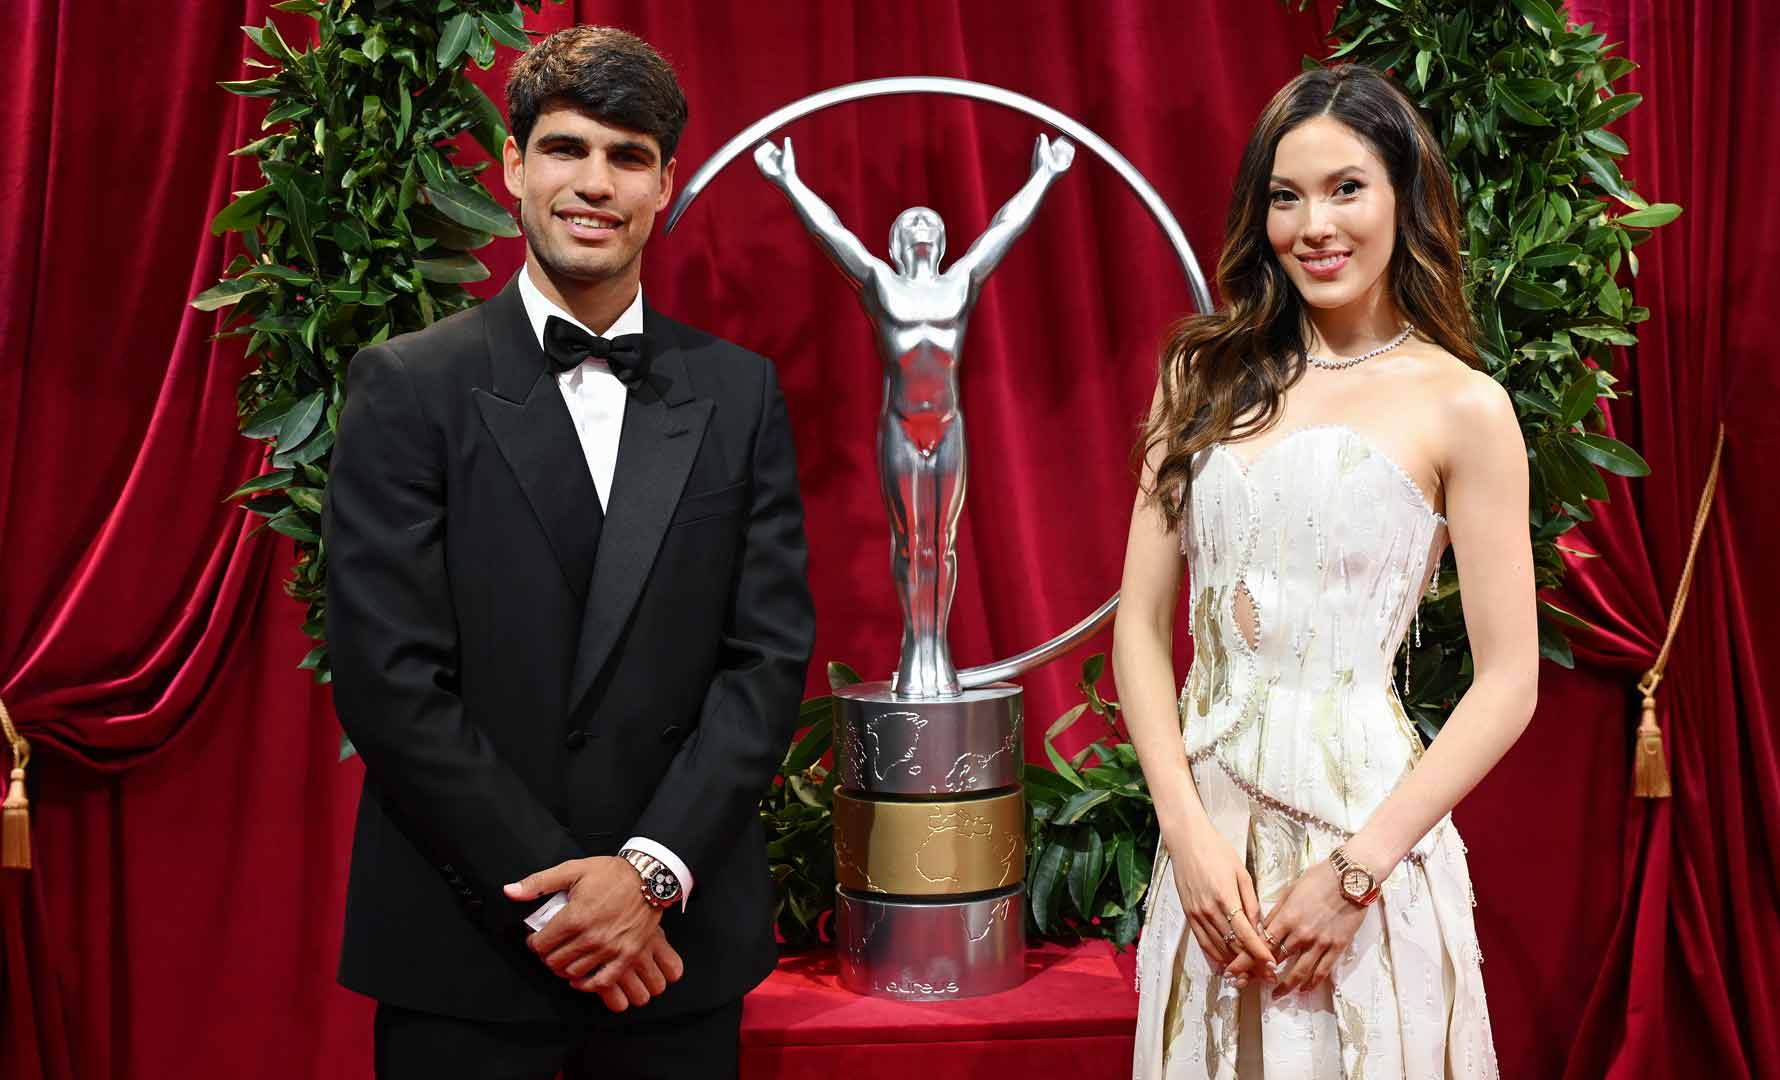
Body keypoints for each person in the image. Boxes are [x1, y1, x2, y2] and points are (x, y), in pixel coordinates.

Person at [323, 25, 814, 1079]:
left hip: (672, 951)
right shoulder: (409, 386)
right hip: (466, 949)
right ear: (511, 168)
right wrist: (561, 894)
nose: (594, 183)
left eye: (627, 156)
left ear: (665, 185)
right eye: (566, 148)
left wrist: (643, 879)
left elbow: (765, 663)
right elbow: (389, 681)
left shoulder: (738, 394)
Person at [1118, 63, 1536, 1077]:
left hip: (1367, 847)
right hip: (1210, 861)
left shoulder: (1464, 405)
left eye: (1348, 188)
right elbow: (1139, 625)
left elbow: (1510, 680)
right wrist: (1183, 832)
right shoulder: (1201, 375)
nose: (1316, 225)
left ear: (1403, 196)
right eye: (1286, 195)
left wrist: (1357, 874)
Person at [751, 133, 1074, 697]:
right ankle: (914, 643)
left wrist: (1044, 174)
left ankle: (935, 647)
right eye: (911, 221)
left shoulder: (961, 282)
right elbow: (833, 235)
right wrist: (788, 181)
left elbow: (1004, 229)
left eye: (930, 220)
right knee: (909, 542)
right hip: (901, 427)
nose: (922, 224)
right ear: (899, 241)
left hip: (947, 429)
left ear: (944, 240)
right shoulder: (880, 284)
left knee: (940, 543)